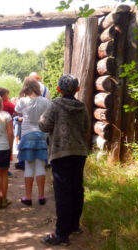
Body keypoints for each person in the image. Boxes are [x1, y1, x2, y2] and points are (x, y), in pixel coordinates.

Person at [38, 74, 90, 246]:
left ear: (59, 89)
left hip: (61, 153)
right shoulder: (82, 107)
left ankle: (61, 234)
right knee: (77, 188)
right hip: (79, 152)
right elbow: (86, 128)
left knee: (62, 192)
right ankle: (74, 225)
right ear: (78, 89)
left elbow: (44, 125)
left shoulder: (55, 105)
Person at [15, 76, 50, 206]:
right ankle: (41, 196)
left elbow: (17, 111)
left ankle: (28, 197)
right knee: (40, 165)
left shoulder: (22, 101)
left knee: (29, 166)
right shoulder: (45, 101)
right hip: (41, 134)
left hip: (27, 134)